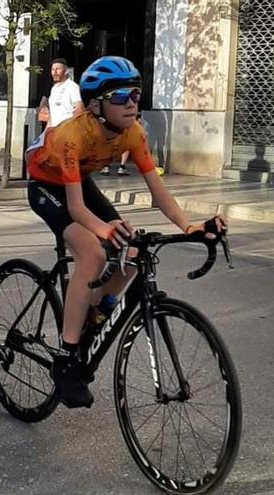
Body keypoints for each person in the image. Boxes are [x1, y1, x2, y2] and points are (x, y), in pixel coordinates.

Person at [25, 56, 226, 408]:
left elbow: (157, 190)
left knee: (134, 251)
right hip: (47, 186)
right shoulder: (73, 135)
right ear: (96, 104)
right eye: (120, 96)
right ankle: (68, 357)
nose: (132, 103)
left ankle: (96, 308)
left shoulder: (133, 132)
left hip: (79, 184)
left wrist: (189, 226)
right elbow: (75, 209)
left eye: (136, 94)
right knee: (93, 252)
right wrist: (104, 230)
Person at [47, 58, 84, 128]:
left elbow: (79, 110)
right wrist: (47, 131)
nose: (55, 72)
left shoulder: (73, 87)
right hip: (54, 132)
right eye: (53, 69)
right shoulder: (54, 89)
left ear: (66, 71)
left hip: (68, 132)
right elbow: (52, 114)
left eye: (58, 69)